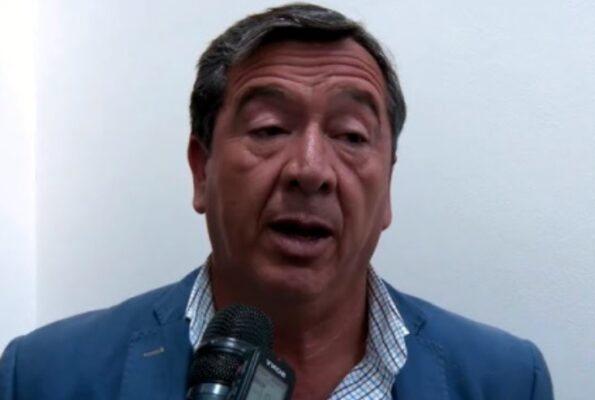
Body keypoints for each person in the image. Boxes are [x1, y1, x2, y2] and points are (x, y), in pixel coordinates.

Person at [0, 3, 553, 399]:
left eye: (351, 135)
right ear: (201, 169)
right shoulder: (43, 377)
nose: (310, 170)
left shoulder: (505, 381)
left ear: (387, 189)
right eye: (269, 128)